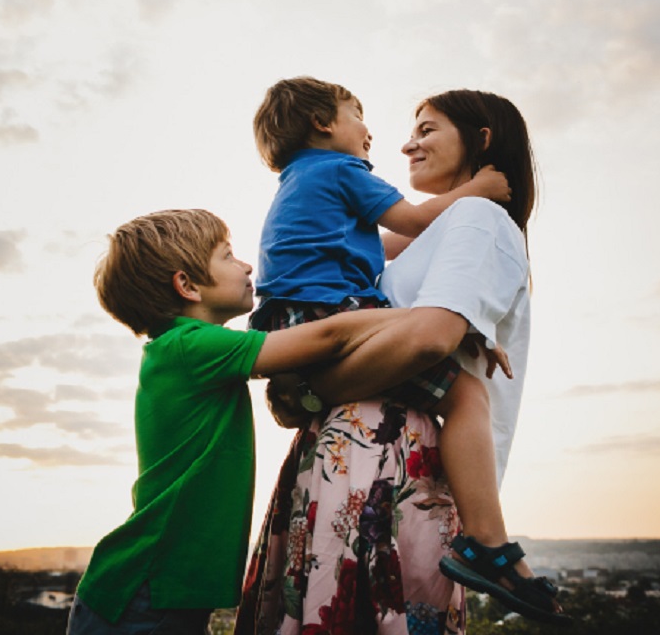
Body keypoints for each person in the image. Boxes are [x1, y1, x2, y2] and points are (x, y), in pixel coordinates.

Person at [237, 90, 567, 634]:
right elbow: (420, 320)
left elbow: (428, 335)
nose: (406, 144)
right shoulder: (418, 218)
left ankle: (488, 542)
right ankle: (489, 543)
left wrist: (312, 391)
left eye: (427, 130)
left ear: (481, 140)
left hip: (369, 458)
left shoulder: (475, 216)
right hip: (363, 456)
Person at [68, 209, 468, 635]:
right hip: (143, 592)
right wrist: (436, 318)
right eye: (227, 256)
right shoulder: (186, 346)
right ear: (187, 285)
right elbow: (329, 336)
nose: (246, 266)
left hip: (162, 592)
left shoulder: (189, 354)